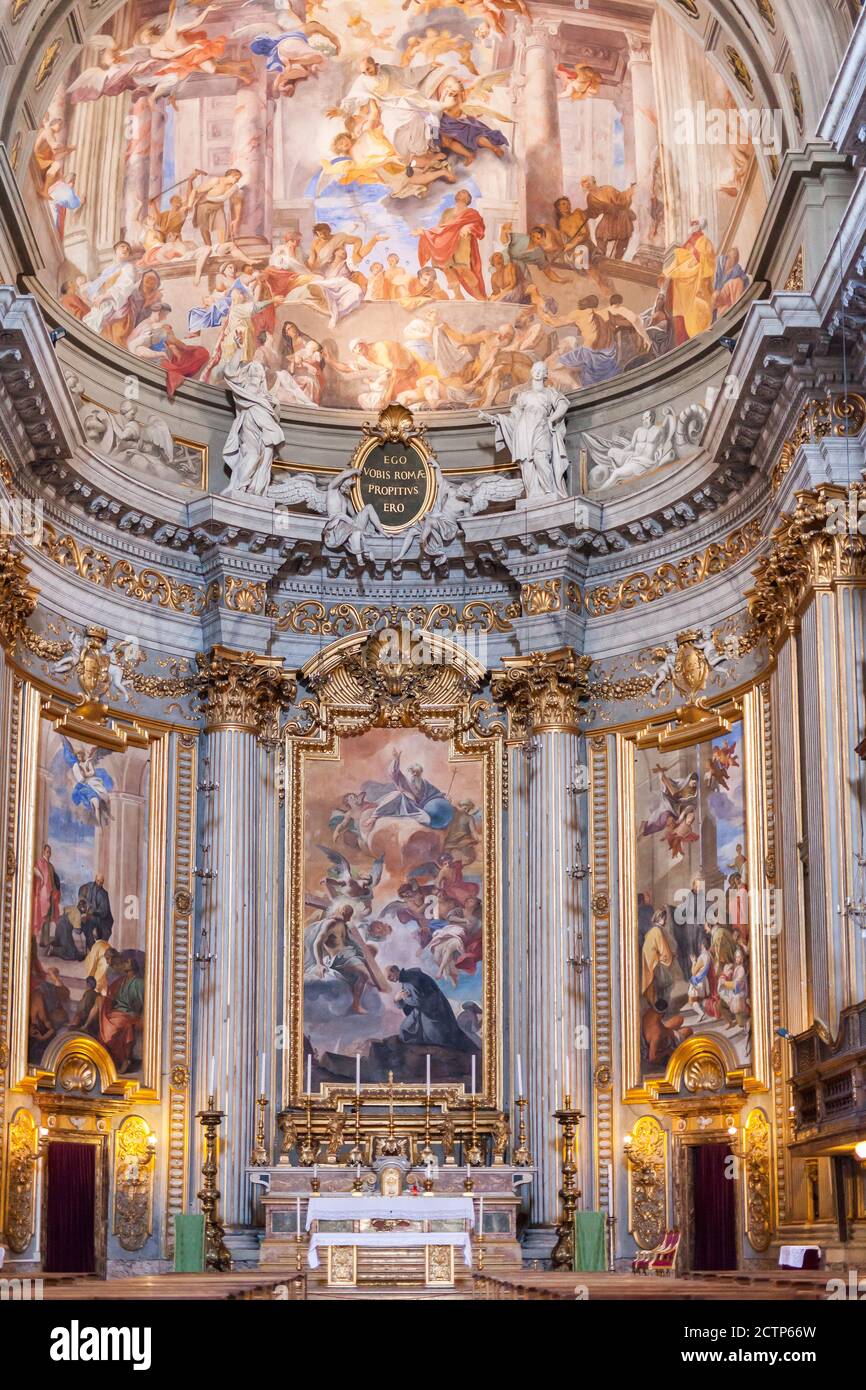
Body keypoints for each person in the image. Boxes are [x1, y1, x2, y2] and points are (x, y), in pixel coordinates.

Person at [415, 189, 486, 300]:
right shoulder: (447, 212)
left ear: (468, 199)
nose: (460, 194)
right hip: (446, 244)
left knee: (462, 269)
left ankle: (479, 296)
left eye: (464, 194)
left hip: (461, 244)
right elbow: (441, 228)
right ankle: (458, 295)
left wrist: (468, 227)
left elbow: (479, 225)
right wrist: (426, 233)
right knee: (447, 269)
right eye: (459, 193)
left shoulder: (472, 213)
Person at [386, 964, 476, 1049]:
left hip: (433, 1011)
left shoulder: (410, 979)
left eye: (389, 976)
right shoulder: (407, 978)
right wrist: (397, 1000)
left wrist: (401, 999)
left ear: (394, 970)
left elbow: (418, 1001)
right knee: (405, 1030)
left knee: (437, 1038)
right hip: (425, 1010)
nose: (389, 979)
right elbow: (411, 1000)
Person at [661, 217, 717, 343]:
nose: (691, 225)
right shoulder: (687, 242)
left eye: (694, 223)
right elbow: (679, 260)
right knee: (680, 318)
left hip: (695, 283)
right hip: (681, 285)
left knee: (695, 313)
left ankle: (697, 338)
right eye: (691, 223)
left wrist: (696, 256)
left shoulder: (705, 241)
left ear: (699, 225)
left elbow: (708, 261)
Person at [99, 951, 144, 1073]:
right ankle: (113, 1059)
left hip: (130, 1015)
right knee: (106, 1021)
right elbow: (111, 995)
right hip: (117, 1013)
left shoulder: (140, 983)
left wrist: (141, 1018)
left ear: (135, 964)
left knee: (114, 1028)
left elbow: (144, 1004)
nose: (125, 964)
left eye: (128, 962)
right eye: (125, 961)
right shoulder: (121, 980)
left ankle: (125, 1060)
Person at [579, 176, 636, 260]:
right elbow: (594, 212)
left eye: (586, 181)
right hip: (608, 217)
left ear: (593, 181)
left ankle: (618, 260)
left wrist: (630, 191)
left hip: (622, 216)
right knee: (600, 235)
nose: (584, 184)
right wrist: (585, 214)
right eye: (582, 182)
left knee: (623, 238)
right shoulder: (590, 197)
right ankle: (601, 259)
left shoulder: (607, 189)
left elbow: (621, 199)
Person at [642, 996, 692, 1065]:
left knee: (679, 1019)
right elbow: (652, 1058)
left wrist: (666, 1030)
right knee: (688, 1030)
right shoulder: (657, 1034)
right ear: (662, 1014)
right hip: (666, 1042)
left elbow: (660, 1026)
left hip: (662, 1032)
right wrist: (667, 1051)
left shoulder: (649, 1012)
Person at [32, 843, 61, 949]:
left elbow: (54, 879)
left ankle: (46, 940)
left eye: (50, 852)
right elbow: (34, 869)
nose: (49, 854)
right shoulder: (40, 862)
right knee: (43, 917)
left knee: (48, 918)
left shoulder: (51, 865)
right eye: (47, 852)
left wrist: (56, 891)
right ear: (44, 852)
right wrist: (41, 877)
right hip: (44, 895)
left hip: (51, 894)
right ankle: (42, 941)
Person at [78, 874, 113, 950]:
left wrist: (92, 912)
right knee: (86, 925)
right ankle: (92, 949)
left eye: (101, 882)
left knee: (104, 934)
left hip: (103, 919)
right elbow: (81, 900)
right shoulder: (88, 887)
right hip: (91, 917)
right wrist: (84, 911)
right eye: (98, 881)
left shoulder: (104, 894)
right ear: (95, 879)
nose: (99, 884)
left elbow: (104, 912)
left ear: (103, 883)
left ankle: (98, 949)